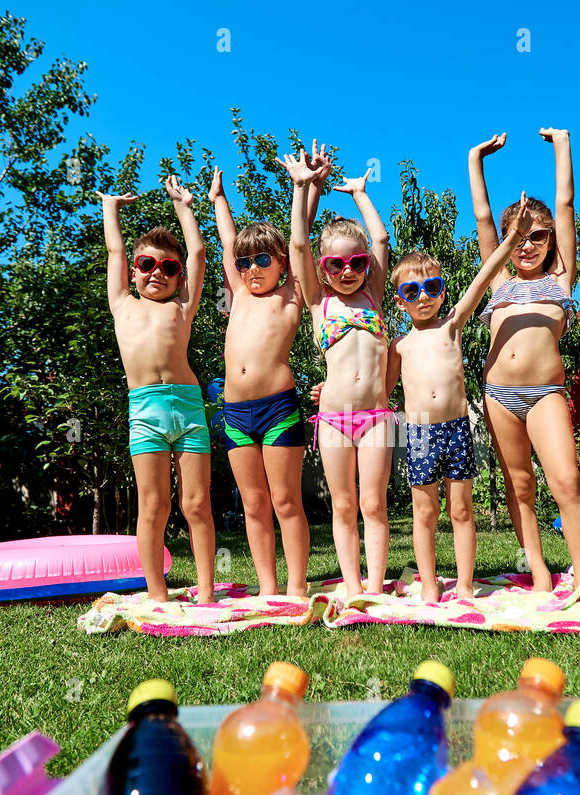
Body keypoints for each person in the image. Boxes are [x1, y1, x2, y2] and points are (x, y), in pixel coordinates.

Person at [384, 195, 539, 602]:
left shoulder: (453, 323)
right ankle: (431, 584)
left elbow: (486, 275)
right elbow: (378, 393)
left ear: (442, 289)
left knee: (461, 510)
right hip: (418, 434)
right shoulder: (398, 346)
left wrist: (513, 239)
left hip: (456, 429)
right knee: (424, 512)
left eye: (431, 287)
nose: (423, 296)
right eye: (412, 290)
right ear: (400, 300)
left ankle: (466, 585)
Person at [469, 129, 580, 592]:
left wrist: (564, 145)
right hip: (498, 395)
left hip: (545, 394)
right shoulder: (498, 278)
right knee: (519, 485)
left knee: (567, 480)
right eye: (518, 236)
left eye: (537, 235)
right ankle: (539, 572)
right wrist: (475, 158)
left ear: (551, 240)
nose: (527, 244)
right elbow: (483, 217)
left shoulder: (561, 278)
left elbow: (565, 207)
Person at [280, 144, 395, 599]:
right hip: (331, 418)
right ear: (323, 270)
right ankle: (352, 585)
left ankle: (376, 586)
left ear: (366, 265)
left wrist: (360, 194)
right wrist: (302, 187)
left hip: (377, 418)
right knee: (343, 505)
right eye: (336, 264)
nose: (348, 270)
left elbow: (382, 240)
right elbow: (297, 244)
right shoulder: (318, 303)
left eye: (357, 262)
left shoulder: (374, 299)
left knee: (373, 503)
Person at [97, 178, 215, 602]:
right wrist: (111, 207)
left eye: (169, 268)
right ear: (134, 269)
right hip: (145, 410)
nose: (157, 274)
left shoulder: (183, 307)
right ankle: (156, 593)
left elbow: (199, 252)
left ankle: (205, 592)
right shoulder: (122, 303)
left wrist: (185, 206)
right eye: (147, 264)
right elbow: (114, 250)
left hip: (187, 407)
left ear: (178, 276)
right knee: (153, 506)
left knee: (197, 505)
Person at [208, 163, 314, 596]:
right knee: (254, 503)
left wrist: (302, 188)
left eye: (263, 260)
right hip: (235, 412)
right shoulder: (238, 294)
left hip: (278, 408)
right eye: (245, 262)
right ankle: (268, 589)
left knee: (286, 502)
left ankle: (296, 586)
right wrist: (218, 199)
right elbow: (228, 241)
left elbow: (299, 241)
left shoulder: (291, 292)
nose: (252, 268)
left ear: (282, 263)